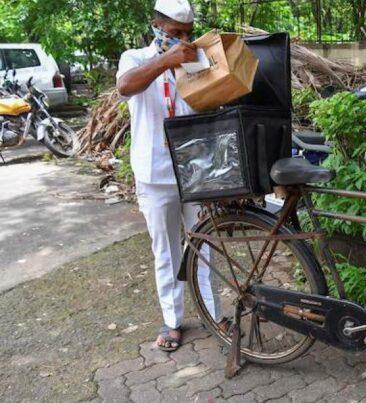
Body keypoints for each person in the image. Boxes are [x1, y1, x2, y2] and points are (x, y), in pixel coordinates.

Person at [116, 0, 223, 352]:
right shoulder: (134, 58)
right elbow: (126, 87)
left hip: (195, 172)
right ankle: (173, 321)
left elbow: (209, 104)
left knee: (204, 246)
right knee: (166, 252)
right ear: (156, 26)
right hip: (154, 174)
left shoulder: (195, 59)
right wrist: (165, 61)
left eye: (188, 33)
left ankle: (213, 313)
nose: (183, 40)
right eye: (176, 33)